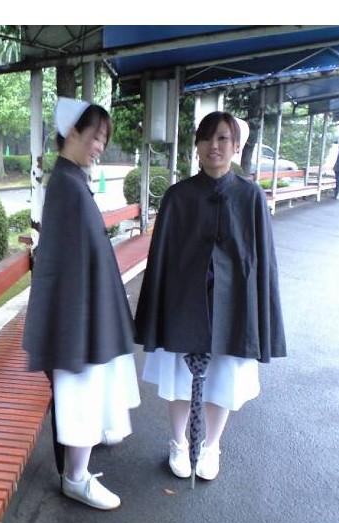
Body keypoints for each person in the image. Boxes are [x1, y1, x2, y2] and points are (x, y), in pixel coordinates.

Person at [133, 111, 287, 482]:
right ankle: (178, 443)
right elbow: (162, 258)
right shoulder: (178, 196)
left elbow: (262, 261)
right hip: (183, 303)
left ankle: (211, 446)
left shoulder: (250, 196)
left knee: (224, 379)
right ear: (197, 146)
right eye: (206, 138)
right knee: (178, 378)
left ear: (236, 146)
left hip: (233, 306)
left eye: (222, 139)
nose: (213, 146)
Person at [22, 98, 139, 510]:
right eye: (96, 137)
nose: (100, 146)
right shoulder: (68, 186)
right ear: (72, 132)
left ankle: (77, 470)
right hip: (79, 314)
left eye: (104, 139)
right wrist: (76, 325)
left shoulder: (70, 181)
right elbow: (64, 265)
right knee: (81, 393)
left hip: (84, 310)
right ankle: (75, 478)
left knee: (88, 390)